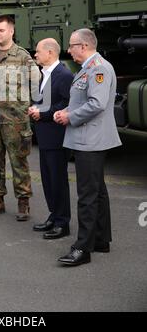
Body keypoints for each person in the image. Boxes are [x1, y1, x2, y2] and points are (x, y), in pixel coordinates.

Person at [54, 28, 122, 266]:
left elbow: (97, 103)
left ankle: (82, 248)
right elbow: (83, 100)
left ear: (83, 46)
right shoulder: (89, 68)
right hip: (87, 138)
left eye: (71, 45)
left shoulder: (99, 68)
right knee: (97, 191)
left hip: (90, 141)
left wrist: (69, 117)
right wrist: (67, 111)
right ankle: (101, 239)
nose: (69, 50)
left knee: (87, 195)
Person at [0, 14, 40, 221]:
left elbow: (35, 85)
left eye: (1, 30)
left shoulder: (23, 56)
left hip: (15, 121)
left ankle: (23, 202)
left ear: (11, 31)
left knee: (18, 162)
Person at [28, 38, 73, 239]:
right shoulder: (45, 74)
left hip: (56, 137)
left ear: (50, 53)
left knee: (58, 181)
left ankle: (63, 223)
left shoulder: (63, 75)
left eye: (38, 51)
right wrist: (35, 107)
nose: (35, 55)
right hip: (45, 137)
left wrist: (42, 113)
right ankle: (54, 216)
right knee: (48, 179)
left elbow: (68, 104)